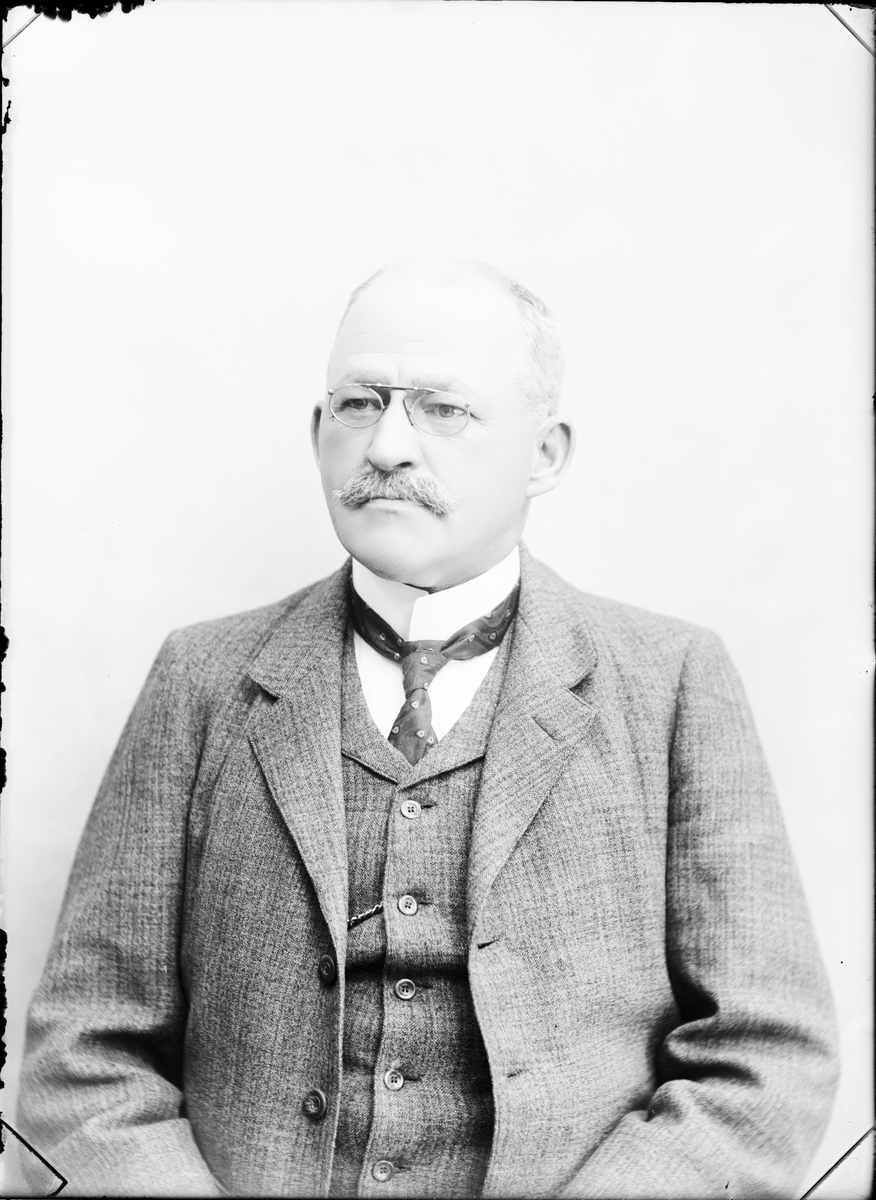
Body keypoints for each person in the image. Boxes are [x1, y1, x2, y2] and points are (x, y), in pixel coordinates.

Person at [19, 260, 838, 1199]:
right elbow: (84, 1055)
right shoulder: (201, 678)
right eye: (359, 403)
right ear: (317, 433)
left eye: (443, 409)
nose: (386, 446)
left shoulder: (672, 683)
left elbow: (765, 1058)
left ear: (545, 454)